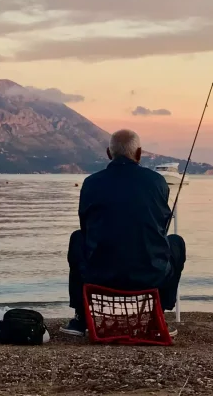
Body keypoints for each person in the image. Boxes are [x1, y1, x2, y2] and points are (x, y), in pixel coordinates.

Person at [61, 129, 186, 337]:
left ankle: (80, 318)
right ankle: (160, 315)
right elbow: (160, 227)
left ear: (109, 154)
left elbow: (85, 227)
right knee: (176, 243)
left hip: (100, 276)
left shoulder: (91, 183)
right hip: (149, 275)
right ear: (139, 153)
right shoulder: (157, 182)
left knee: (77, 238)